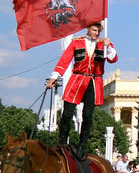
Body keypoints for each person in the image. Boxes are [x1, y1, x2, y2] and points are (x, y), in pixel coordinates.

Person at [45, 20, 118, 157]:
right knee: (67, 113)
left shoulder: (104, 43)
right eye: (94, 30)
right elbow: (64, 60)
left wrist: (108, 47)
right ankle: (62, 143)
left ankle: (82, 146)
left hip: (94, 80)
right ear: (88, 29)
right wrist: (54, 77)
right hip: (77, 79)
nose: (97, 33)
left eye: (99, 31)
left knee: (87, 115)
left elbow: (113, 58)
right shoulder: (76, 42)